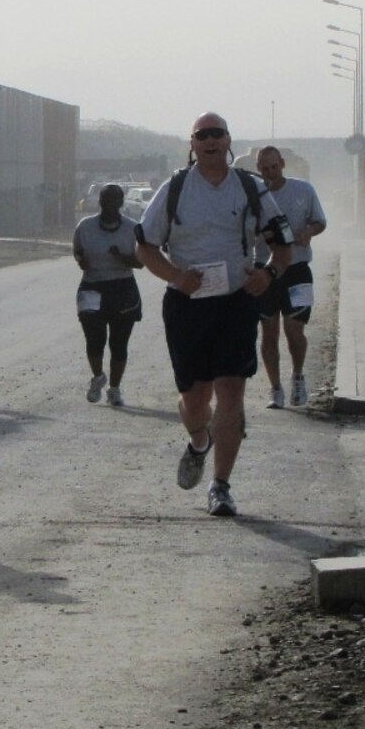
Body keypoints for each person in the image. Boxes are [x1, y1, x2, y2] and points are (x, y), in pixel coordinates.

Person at [137, 112, 292, 517]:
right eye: (202, 135)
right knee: (195, 398)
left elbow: (283, 245)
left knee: (231, 391)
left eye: (216, 134)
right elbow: (145, 247)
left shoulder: (250, 188)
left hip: (235, 302)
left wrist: (268, 274)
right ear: (192, 144)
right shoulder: (175, 189)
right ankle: (199, 442)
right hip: (187, 305)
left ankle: (221, 486)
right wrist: (176, 276)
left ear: (228, 140)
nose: (209, 141)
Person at [252, 146, 328, 409]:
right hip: (265, 270)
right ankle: (275, 388)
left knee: (295, 330)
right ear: (258, 169)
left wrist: (309, 232)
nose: (270, 172)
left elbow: (320, 222)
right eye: (264, 168)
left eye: (274, 167)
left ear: (282, 164)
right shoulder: (254, 196)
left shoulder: (303, 190)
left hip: (297, 269)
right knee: (269, 331)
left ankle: (297, 376)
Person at [72, 183, 143, 406]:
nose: (109, 205)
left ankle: (114, 388)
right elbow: (78, 253)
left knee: (119, 343)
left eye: (114, 200)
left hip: (123, 288)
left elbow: (141, 262)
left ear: (121, 203)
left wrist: (121, 257)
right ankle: (98, 377)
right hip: (92, 286)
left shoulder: (132, 228)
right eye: (105, 200)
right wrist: (82, 261)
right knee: (94, 339)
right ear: (100, 202)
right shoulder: (85, 226)